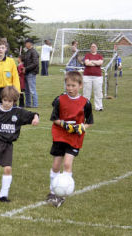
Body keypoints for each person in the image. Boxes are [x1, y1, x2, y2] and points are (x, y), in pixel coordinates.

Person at [46, 71, 93, 207]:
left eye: (73, 85)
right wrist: (64, 124)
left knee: (67, 164)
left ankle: (62, 194)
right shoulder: (59, 100)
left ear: (80, 86)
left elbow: (89, 121)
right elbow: (54, 119)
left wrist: (81, 128)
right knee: (56, 165)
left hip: (74, 138)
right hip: (60, 135)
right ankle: (52, 192)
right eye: (68, 85)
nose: (70, 88)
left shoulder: (85, 103)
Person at [83, 43, 104, 111]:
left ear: (96, 48)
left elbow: (100, 63)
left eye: (94, 47)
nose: (93, 48)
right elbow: (87, 63)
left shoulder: (99, 56)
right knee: (86, 92)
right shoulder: (87, 55)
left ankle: (99, 107)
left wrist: (91, 61)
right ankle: (86, 107)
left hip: (97, 77)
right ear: (90, 48)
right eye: (92, 47)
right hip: (87, 76)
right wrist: (96, 62)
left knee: (98, 92)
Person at [22, 38, 39, 108]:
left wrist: (26, 68)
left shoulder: (33, 52)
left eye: (26, 43)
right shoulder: (28, 51)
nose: (25, 44)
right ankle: (28, 104)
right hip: (26, 73)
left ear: (30, 43)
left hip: (31, 73)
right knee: (27, 90)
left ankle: (35, 104)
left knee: (32, 90)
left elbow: (35, 63)